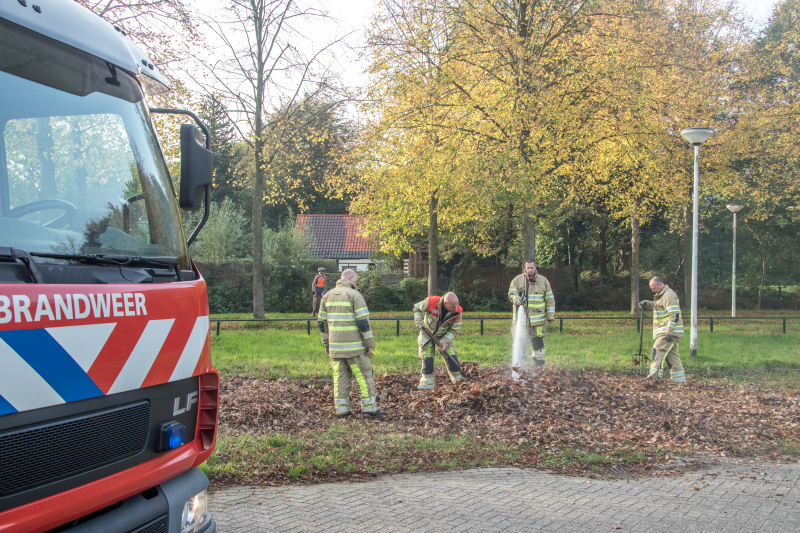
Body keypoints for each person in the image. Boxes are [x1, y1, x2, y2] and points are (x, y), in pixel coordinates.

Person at [318, 269, 386, 417]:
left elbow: (321, 324)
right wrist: (369, 344)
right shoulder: (355, 295)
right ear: (350, 278)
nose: (356, 283)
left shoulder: (327, 296)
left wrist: (326, 345)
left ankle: (341, 411)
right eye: (355, 280)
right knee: (364, 376)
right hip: (354, 349)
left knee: (340, 378)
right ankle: (370, 409)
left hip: (335, 349)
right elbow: (363, 322)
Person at [508, 259, 556, 369]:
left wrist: (550, 316)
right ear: (524, 268)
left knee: (538, 344)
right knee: (521, 343)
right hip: (521, 322)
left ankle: (539, 367)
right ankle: (522, 366)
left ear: (535, 267)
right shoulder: (517, 280)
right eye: (528, 268)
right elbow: (511, 293)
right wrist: (516, 299)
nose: (530, 270)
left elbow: (550, 299)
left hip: (538, 321)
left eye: (532, 267)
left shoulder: (544, 281)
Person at [638, 277, 686, 382]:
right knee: (672, 357)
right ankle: (680, 381)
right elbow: (658, 306)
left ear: (660, 285)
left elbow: (674, 314)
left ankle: (654, 377)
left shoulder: (668, 295)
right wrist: (647, 303)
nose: (653, 290)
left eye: (654, 288)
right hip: (668, 331)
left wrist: (669, 332)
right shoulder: (662, 296)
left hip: (668, 332)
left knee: (657, 351)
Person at [413, 292, 464, 390]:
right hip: (427, 333)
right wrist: (419, 323)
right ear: (445, 303)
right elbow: (416, 307)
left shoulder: (458, 312)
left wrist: (444, 342)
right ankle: (427, 384)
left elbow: (454, 330)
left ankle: (459, 381)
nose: (455, 309)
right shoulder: (431, 302)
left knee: (452, 357)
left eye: (456, 306)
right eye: (453, 307)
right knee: (427, 359)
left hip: (444, 335)